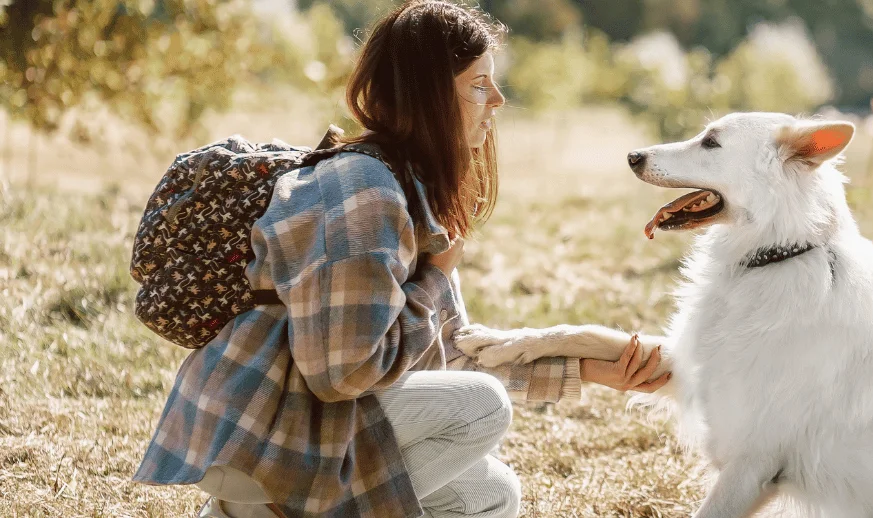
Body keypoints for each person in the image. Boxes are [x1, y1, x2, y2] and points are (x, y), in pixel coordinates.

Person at [131, 2, 669, 517]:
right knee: (481, 406)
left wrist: (588, 370)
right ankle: (259, 511)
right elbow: (343, 372)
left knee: (490, 494)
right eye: (480, 85)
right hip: (258, 429)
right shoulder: (365, 191)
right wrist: (434, 278)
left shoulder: (408, 190)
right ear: (429, 96)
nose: (499, 100)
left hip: (299, 424)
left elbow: (449, 356)